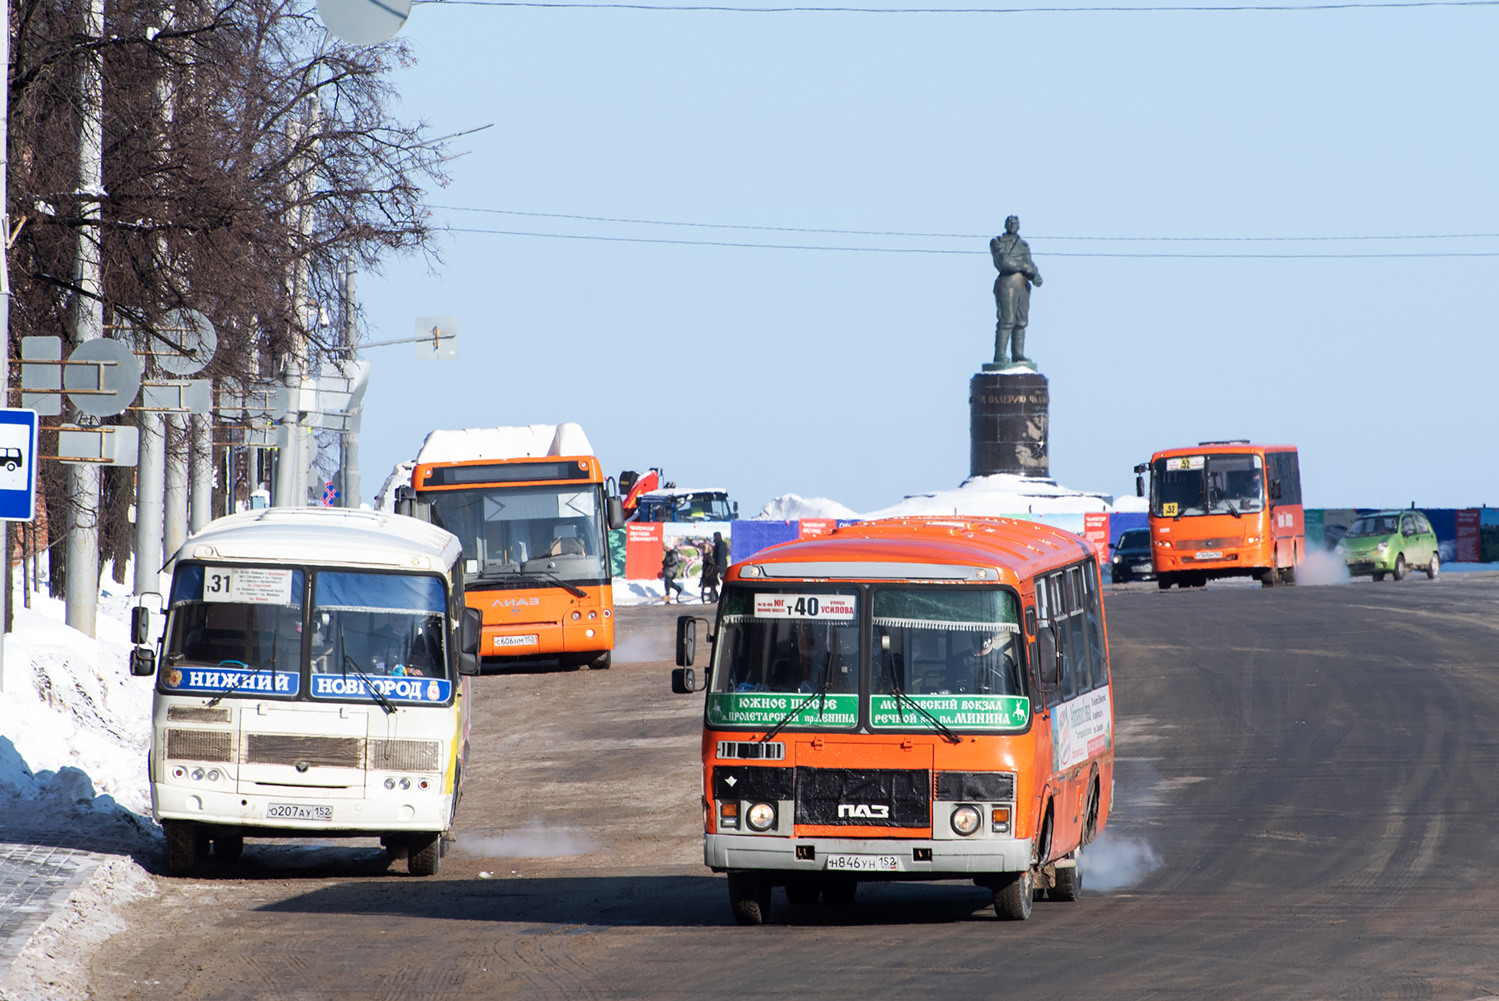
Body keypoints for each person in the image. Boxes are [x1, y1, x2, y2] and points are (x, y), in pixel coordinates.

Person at [990, 215, 1043, 367]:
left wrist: (1035, 275)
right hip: (1007, 284)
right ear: (1005, 224)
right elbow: (1004, 262)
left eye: (1015, 223)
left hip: (1023, 286)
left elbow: (1030, 263)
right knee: (1007, 320)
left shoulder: (1023, 246)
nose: (1013, 225)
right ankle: (1000, 355)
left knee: (1021, 321)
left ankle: (1017, 354)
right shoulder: (998, 242)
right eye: (1010, 222)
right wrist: (1024, 267)